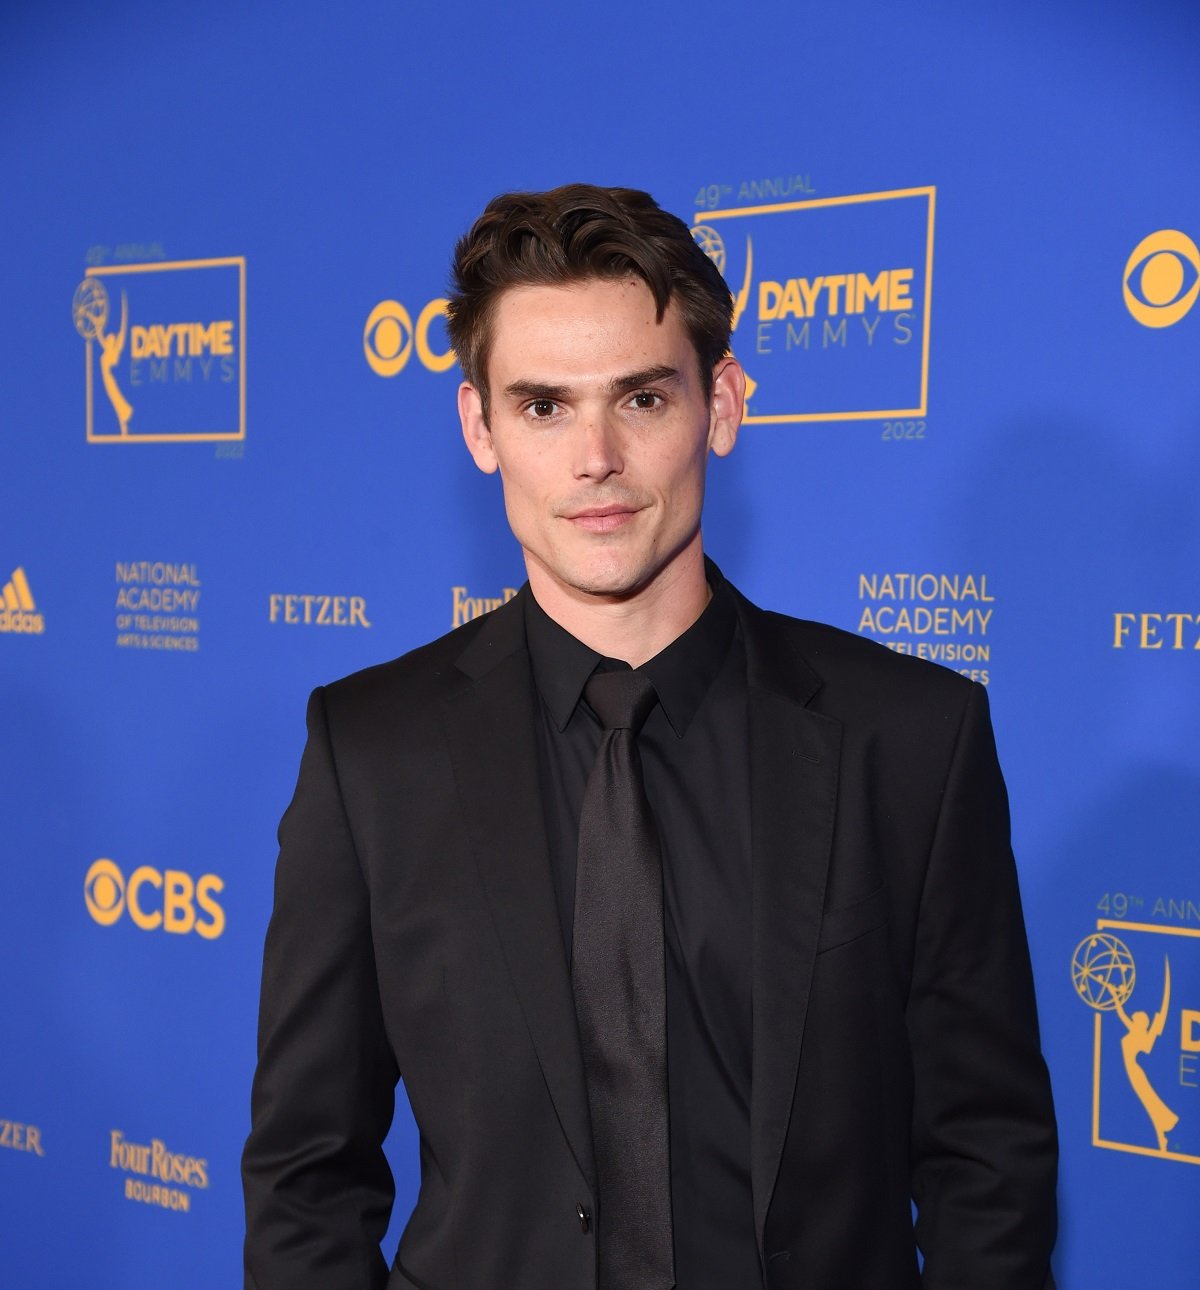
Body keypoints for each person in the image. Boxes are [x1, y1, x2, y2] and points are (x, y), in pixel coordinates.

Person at [242, 184, 1058, 1290]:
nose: (595, 460)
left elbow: (987, 1159)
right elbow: (306, 1174)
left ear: (720, 405)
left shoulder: (910, 738)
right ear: (479, 428)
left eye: (640, 399)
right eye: (542, 407)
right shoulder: (370, 750)